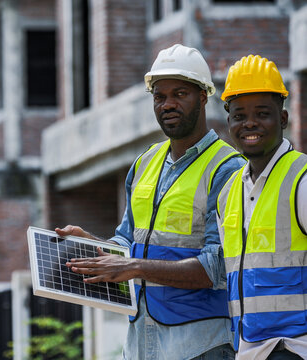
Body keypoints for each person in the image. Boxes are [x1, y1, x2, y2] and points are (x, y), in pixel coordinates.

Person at [56, 44, 245, 360]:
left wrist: (131, 267)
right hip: (141, 342)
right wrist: (93, 245)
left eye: (179, 94)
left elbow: (216, 268)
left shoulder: (227, 169)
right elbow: (128, 242)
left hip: (201, 344)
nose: (168, 104)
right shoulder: (145, 163)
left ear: (203, 96)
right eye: (159, 96)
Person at [216, 54, 307, 360]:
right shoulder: (228, 193)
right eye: (239, 115)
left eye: (262, 113)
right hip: (248, 350)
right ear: (229, 122)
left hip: (294, 349)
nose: (249, 123)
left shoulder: (302, 180)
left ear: (283, 119)